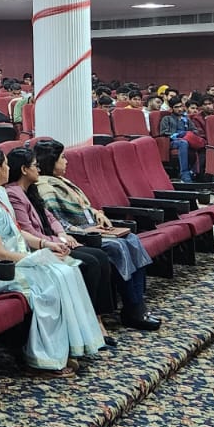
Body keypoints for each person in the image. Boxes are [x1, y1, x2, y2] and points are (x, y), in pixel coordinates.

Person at [0, 147, 104, 377]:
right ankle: (41, 359)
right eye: (6, 164)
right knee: (49, 284)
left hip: (8, 263)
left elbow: (18, 232)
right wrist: (35, 258)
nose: (9, 168)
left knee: (67, 270)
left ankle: (65, 348)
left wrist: (45, 245)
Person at [27, 139, 159, 330]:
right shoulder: (44, 187)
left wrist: (97, 213)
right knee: (118, 246)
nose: (66, 161)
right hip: (79, 236)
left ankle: (138, 304)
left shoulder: (62, 181)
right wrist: (86, 231)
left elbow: (84, 208)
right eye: (62, 158)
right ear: (50, 161)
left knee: (132, 239)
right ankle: (133, 308)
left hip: (92, 230)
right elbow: (56, 223)